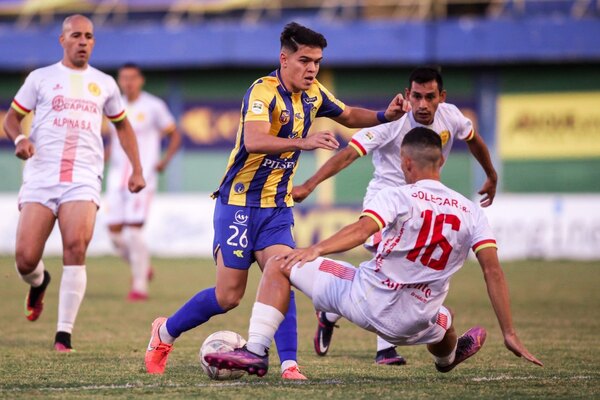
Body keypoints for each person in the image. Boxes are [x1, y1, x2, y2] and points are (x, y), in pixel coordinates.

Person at [144, 21, 409, 379]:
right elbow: (254, 140)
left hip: (276, 207)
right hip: (237, 204)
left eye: (316, 61)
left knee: (283, 271)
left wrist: (383, 116)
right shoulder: (262, 92)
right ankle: (164, 332)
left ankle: (288, 364)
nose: (312, 68)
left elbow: (347, 115)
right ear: (284, 59)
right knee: (228, 296)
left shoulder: (315, 93)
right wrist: (305, 142)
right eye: (304, 60)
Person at [204, 127, 542, 378]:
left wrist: (315, 249)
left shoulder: (397, 195)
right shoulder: (472, 211)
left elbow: (362, 230)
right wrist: (509, 333)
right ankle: (446, 358)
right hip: (416, 319)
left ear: (405, 163)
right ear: (441, 160)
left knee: (280, 262)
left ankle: (256, 351)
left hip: (365, 300)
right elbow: (492, 272)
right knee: (446, 321)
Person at [292, 67, 498, 365]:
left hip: (422, 200)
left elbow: (474, 139)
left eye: (430, 97)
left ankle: (330, 311)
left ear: (442, 97)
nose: (423, 105)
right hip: (385, 201)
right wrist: (310, 184)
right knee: (390, 262)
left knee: (409, 268)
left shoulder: (451, 116)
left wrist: (491, 175)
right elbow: (350, 153)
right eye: (417, 96)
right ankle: (386, 348)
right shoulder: (392, 120)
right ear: (408, 94)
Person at [2, 15, 145, 352]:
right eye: (76, 35)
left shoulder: (105, 84)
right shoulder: (40, 78)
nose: (83, 41)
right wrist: (20, 139)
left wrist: (137, 169)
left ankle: (63, 334)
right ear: (62, 40)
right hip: (41, 175)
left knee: (76, 248)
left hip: (83, 177)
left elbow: (123, 127)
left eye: (89, 36)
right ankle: (39, 282)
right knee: (24, 259)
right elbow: (11, 118)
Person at [105, 63, 181, 301]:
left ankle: (139, 286)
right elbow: (114, 141)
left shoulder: (153, 106)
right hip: (117, 176)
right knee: (115, 236)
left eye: (132, 78)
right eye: (123, 78)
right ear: (119, 80)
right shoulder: (113, 106)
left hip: (143, 176)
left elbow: (174, 134)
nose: (128, 82)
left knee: (134, 232)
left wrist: (165, 160)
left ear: (141, 80)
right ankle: (142, 264)